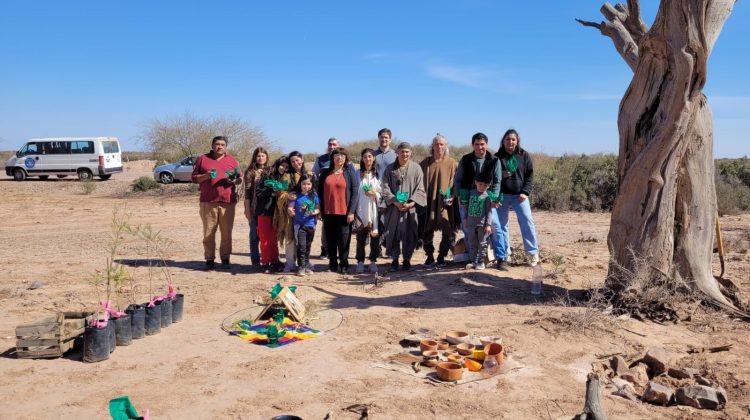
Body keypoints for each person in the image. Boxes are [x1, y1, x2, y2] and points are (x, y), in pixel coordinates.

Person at [454, 132, 507, 270]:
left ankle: (501, 257)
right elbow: (458, 180)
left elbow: (497, 181)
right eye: (477, 144)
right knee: (468, 229)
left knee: (494, 226)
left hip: (486, 199)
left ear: (486, 144)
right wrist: (460, 196)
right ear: (473, 145)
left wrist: (494, 198)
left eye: (482, 144)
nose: (480, 147)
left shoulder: (494, 160)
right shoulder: (466, 159)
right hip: (468, 199)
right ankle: (475, 259)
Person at [191, 136, 243, 269]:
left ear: (226, 147)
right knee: (209, 232)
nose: (219, 147)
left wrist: (233, 181)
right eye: (217, 144)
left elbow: (240, 178)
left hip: (227, 201)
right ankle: (209, 259)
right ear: (212, 145)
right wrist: (205, 176)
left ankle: (225, 259)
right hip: (208, 201)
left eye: (222, 144)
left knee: (226, 233)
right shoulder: (203, 159)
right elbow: (194, 178)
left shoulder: (232, 160)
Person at [495, 128, 540, 266]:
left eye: (513, 139)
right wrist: (500, 175)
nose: (510, 142)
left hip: (520, 196)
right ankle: (505, 254)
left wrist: (525, 192)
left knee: (527, 221)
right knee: (501, 226)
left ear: (517, 141)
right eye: (508, 139)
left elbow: (530, 175)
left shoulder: (524, 155)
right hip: (502, 196)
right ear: (503, 141)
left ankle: (532, 253)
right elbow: (491, 177)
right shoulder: (497, 157)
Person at [381, 142, 427, 271]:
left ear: (411, 153)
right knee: (393, 233)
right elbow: (385, 187)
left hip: (410, 208)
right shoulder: (390, 169)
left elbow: (420, 189)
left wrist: (412, 202)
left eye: (407, 152)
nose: (404, 154)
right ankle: (395, 259)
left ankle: (407, 259)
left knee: (409, 234)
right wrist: (395, 201)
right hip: (394, 207)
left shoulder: (416, 168)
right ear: (397, 152)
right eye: (402, 151)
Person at [317, 147, 359, 273]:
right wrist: (319, 209)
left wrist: (351, 211)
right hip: (328, 212)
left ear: (345, 159)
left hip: (344, 213)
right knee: (330, 239)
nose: (339, 157)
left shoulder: (350, 173)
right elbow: (319, 192)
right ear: (332, 157)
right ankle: (332, 264)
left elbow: (355, 193)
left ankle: (344, 264)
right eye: (337, 155)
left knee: (344, 240)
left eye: (342, 156)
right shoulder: (325, 173)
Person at [419, 133, 457, 267]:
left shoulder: (452, 163)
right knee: (426, 228)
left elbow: (456, 183)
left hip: (445, 202)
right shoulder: (425, 163)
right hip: (428, 201)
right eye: (437, 144)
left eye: (442, 144)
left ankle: (442, 256)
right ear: (432, 146)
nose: (439, 146)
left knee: (447, 228)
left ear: (445, 146)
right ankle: (429, 256)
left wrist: (452, 196)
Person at [275, 151, 306, 272]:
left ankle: (304, 263)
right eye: (292, 161)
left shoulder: (308, 174)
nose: (295, 163)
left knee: (304, 238)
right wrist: (288, 197)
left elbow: (313, 192)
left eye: (297, 160)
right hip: (290, 212)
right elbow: (281, 192)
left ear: (302, 160)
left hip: (305, 212)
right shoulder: (287, 176)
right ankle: (290, 263)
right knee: (290, 237)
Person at [255, 156, 287, 273]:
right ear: (277, 164)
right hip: (264, 211)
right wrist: (271, 188)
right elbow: (258, 192)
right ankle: (265, 262)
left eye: (286, 167)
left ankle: (274, 260)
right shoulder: (267, 176)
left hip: (276, 213)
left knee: (274, 238)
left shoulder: (284, 178)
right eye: (282, 165)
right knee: (265, 239)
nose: (284, 168)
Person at [354, 148, 382, 273]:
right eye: (365, 157)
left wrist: (375, 194)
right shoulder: (357, 173)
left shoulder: (379, 174)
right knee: (360, 237)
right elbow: (353, 191)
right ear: (362, 159)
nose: (367, 159)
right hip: (361, 209)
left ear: (374, 158)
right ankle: (360, 261)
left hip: (375, 209)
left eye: (370, 156)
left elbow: (383, 192)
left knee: (375, 237)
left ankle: (373, 261)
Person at [312, 137, 340, 259]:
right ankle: (325, 249)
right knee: (326, 224)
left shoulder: (344, 159)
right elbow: (314, 176)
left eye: (334, 144)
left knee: (339, 224)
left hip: (340, 197)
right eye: (330, 144)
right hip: (324, 196)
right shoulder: (320, 160)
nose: (332, 146)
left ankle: (337, 250)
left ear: (338, 146)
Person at [243, 147, 269, 269]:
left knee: (266, 236)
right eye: (258, 156)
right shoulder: (250, 172)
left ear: (266, 157)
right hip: (254, 208)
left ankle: (267, 259)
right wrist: (247, 209)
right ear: (255, 157)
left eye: (263, 155)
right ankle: (255, 261)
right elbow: (247, 193)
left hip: (267, 209)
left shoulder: (270, 171)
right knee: (254, 236)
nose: (261, 158)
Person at [288, 176, 320, 276]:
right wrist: (290, 211)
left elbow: (318, 209)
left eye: (308, 184)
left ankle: (306, 265)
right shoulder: (295, 196)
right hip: (299, 224)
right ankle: (301, 267)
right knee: (301, 246)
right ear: (300, 184)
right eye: (304, 184)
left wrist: (313, 212)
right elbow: (290, 207)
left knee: (308, 246)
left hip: (311, 225)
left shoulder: (314, 196)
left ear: (312, 185)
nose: (306, 186)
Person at [463, 173, 495, 270]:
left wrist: (488, 225)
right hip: (471, 223)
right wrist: (465, 218)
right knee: (472, 242)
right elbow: (466, 207)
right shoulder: (471, 193)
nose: (482, 187)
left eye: (485, 185)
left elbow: (489, 211)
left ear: (489, 186)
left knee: (482, 243)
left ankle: (481, 262)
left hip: (483, 225)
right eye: (480, 184)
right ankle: (473, 261)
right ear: (476, 182)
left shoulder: (488, 196)